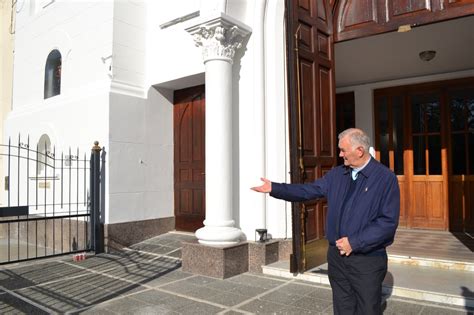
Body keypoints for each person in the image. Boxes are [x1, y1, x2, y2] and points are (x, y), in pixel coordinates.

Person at [251, 128, 400, 315]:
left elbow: (387, 223)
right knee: (342, 308)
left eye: (343, 150)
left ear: (359, 151)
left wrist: (354, 242)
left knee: (367, 309)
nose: (340, 154)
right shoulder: (337, 174)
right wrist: (275, 188)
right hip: (337, 258)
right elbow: (308, 191)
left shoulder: (385, 178)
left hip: (366, 260)